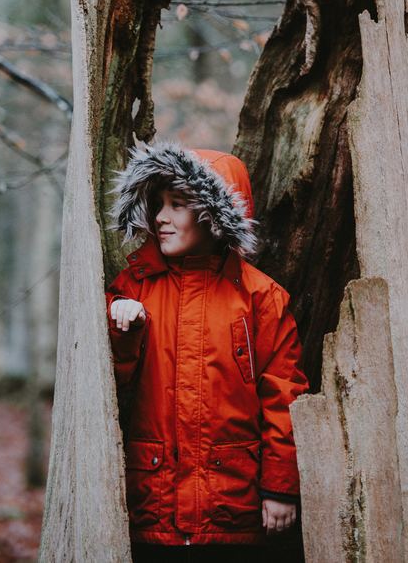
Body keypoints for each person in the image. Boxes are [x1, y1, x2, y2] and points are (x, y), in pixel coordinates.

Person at [105, 141, 309, 562]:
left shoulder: (260, 297)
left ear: (213, 215)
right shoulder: (133, 287)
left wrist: (281, 488)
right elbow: (109, 386)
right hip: (151, 506)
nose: (160, 217)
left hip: (233, 509)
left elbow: (283, 395)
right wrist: (122, 328)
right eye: (157, 204)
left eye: (177, 204)